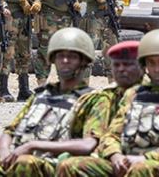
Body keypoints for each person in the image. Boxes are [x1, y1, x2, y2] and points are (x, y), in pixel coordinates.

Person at [0, 28, 109, 177]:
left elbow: (88, 144)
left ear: (84, 62)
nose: (64, 61)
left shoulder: (94, 99)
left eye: (71, 57)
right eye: (60, 56)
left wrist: (32, 145)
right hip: (16, 161)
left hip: (52, 165)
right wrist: (4, 153)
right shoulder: (41, 95)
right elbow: (9, 132)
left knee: (26, 163)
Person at [55, 40, 145, 176]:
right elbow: (94, 136)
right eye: (116, 65)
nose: (121, 69)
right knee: (68, 163)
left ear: (142, 67)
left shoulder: (151, 96)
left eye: (128, 65)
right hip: (113, 157)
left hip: (146, 159)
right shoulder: (103, 97)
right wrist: (114, 155)